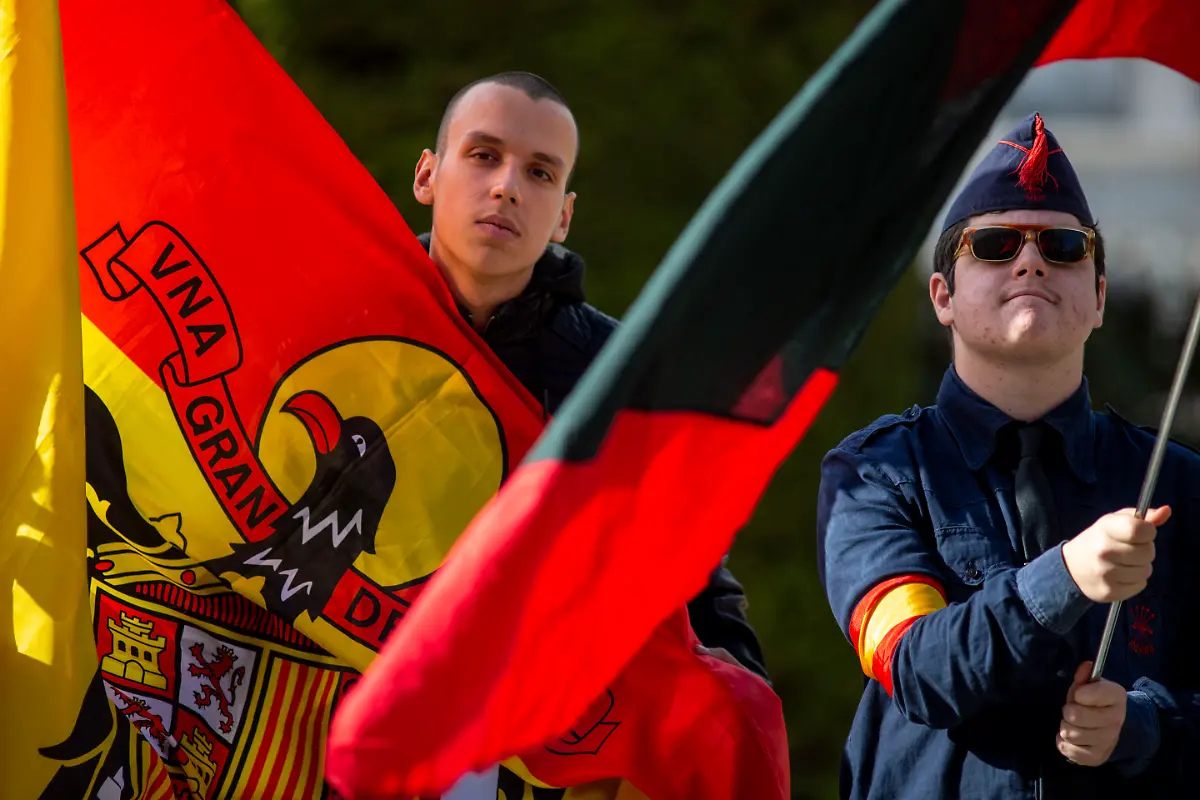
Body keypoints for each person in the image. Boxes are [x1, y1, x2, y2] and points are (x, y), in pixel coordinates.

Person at [816, 111, 1200, 799]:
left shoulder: (1178, 483)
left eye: (1063, 247)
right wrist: (1067, 576)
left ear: (1099, 297)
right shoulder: (875, 475)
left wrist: (1141, 728)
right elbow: (914, 667)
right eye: (993, 245)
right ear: (943, 297)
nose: (1030, 261)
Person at [413, 71, 768, 674]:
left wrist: (736, 693)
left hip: (510, 729)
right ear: (427, 174)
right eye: (483, 155)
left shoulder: (620, 377)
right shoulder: (335, 314)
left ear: (563, 217)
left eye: (540, 173)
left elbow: (688, 584)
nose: (506, 188)